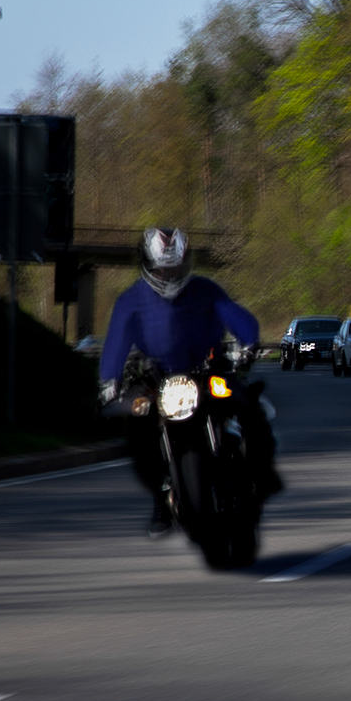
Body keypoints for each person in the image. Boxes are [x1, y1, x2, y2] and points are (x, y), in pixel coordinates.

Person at [98, 228, 281, 537]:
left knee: (250, 405)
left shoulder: (205, 290)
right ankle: (160, 499)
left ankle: (262, 474)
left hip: (210, 371)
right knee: (139, 428)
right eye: (162, 268)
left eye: (175, 267)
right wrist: (109, 381)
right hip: (158, 379)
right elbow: (116, 342)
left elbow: (237, 317)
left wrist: (247, 345)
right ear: (147, 264)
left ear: (186, 263)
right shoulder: (132, 301)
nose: (169, 274)